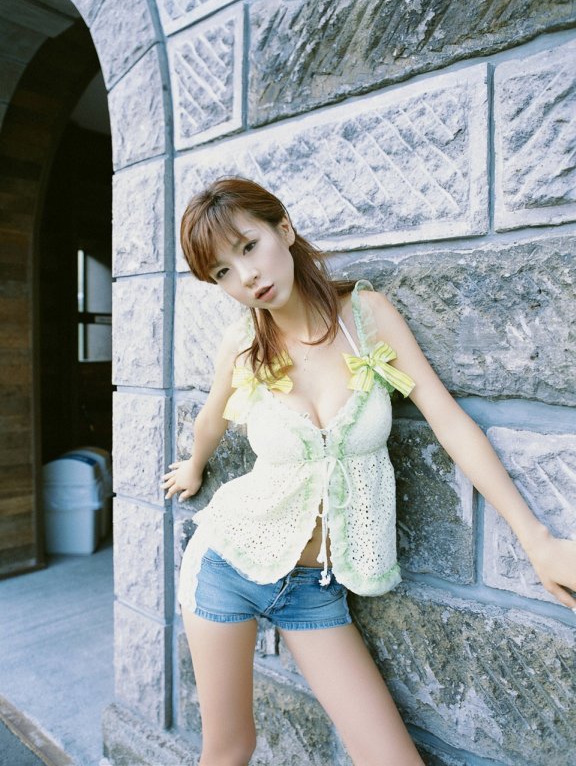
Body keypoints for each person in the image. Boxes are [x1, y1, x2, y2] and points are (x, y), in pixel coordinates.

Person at [162, 176, 576, 766]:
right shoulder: (243, 343)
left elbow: (448, 421)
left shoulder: (366, 315)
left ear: (284, 229)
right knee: (230, 749)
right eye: (223, 272)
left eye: (249, 246)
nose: (246, 276)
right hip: (226, 562)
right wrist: (194, 467)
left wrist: (536, 541)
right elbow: (211, 419)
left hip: (314, 588)